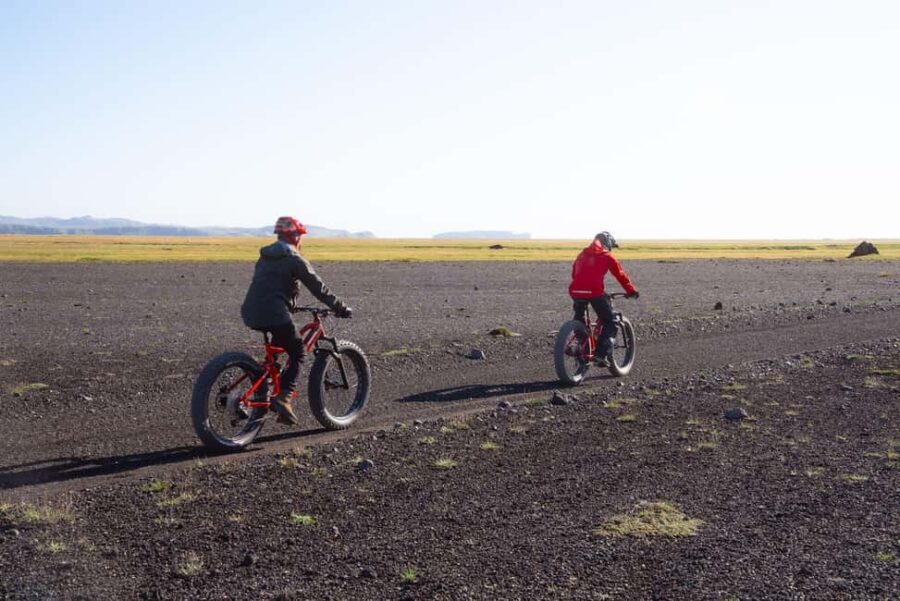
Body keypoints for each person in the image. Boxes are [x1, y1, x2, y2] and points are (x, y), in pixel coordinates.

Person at [241, 216, 352, 425]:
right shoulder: (294, 258)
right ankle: (283, 397)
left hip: (251, 311)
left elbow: (270, 286)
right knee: (298, 350)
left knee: (276, 352)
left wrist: (288, 304)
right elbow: (319, 288)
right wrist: (340, 307)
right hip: (275, 313)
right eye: (300, 236)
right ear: (295, 237)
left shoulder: (264, 257)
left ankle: (264, 386)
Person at [568, 231, 639, 366]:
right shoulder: (607, 256)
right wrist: (631, 291)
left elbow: (574, 273)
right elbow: (620, 275)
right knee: (610, 321)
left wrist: (582, 288)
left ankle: (581, 342)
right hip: (594, 291)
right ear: (607, 243)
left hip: (575, 290)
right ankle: (600, 355)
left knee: (580, 317)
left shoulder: (582, 254)